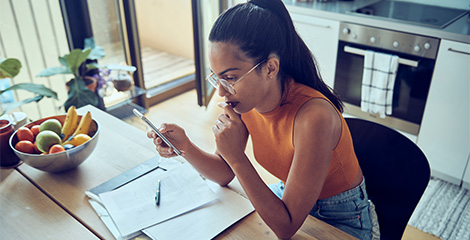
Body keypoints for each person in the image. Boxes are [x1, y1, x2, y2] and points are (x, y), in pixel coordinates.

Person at [147, 0, 379, 239]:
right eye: (217, 78)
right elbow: (224, 174)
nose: (222, 92)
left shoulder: (313, 117)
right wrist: (185, 146)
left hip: (342, 218)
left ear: (270, 68)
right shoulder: (242, 101)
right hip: (287, 197)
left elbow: (286, 227)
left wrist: (237, 157)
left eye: (231, 78)